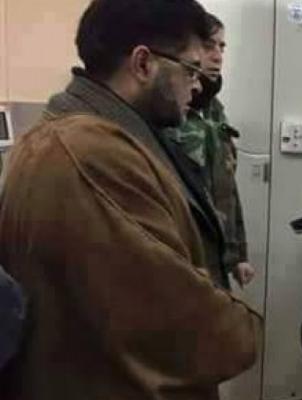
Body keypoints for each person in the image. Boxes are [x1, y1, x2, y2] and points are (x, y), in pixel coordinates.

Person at [0, 1, 262, 399]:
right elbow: (177, 320)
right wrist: (245, 328)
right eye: (190, 70)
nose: (197, 86)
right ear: (143, 64)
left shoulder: (91, 136)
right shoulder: (90, 155)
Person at [167, 13, 254, 289]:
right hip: (184, 257)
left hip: (216, 257)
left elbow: (226, 187)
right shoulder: (167, 111)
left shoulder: (214, 110)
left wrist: (237, 254)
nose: (217, 56)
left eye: (221, 47)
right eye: (208, 46)